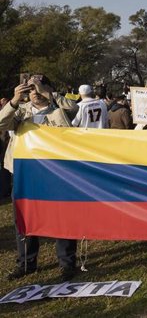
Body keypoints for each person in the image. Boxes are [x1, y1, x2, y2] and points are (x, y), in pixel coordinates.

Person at [0, 75, 79, 281]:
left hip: (55, 172)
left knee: (62, 217)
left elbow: (73, 111)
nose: (34, 92)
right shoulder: (21, 112)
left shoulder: (59, 110)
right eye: (30, 89)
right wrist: (15, 100)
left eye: (37, 87)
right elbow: (1, 123)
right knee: (24, 218)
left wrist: (47, 94)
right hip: (24, 173)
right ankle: (26, 262)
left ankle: (67, 263)